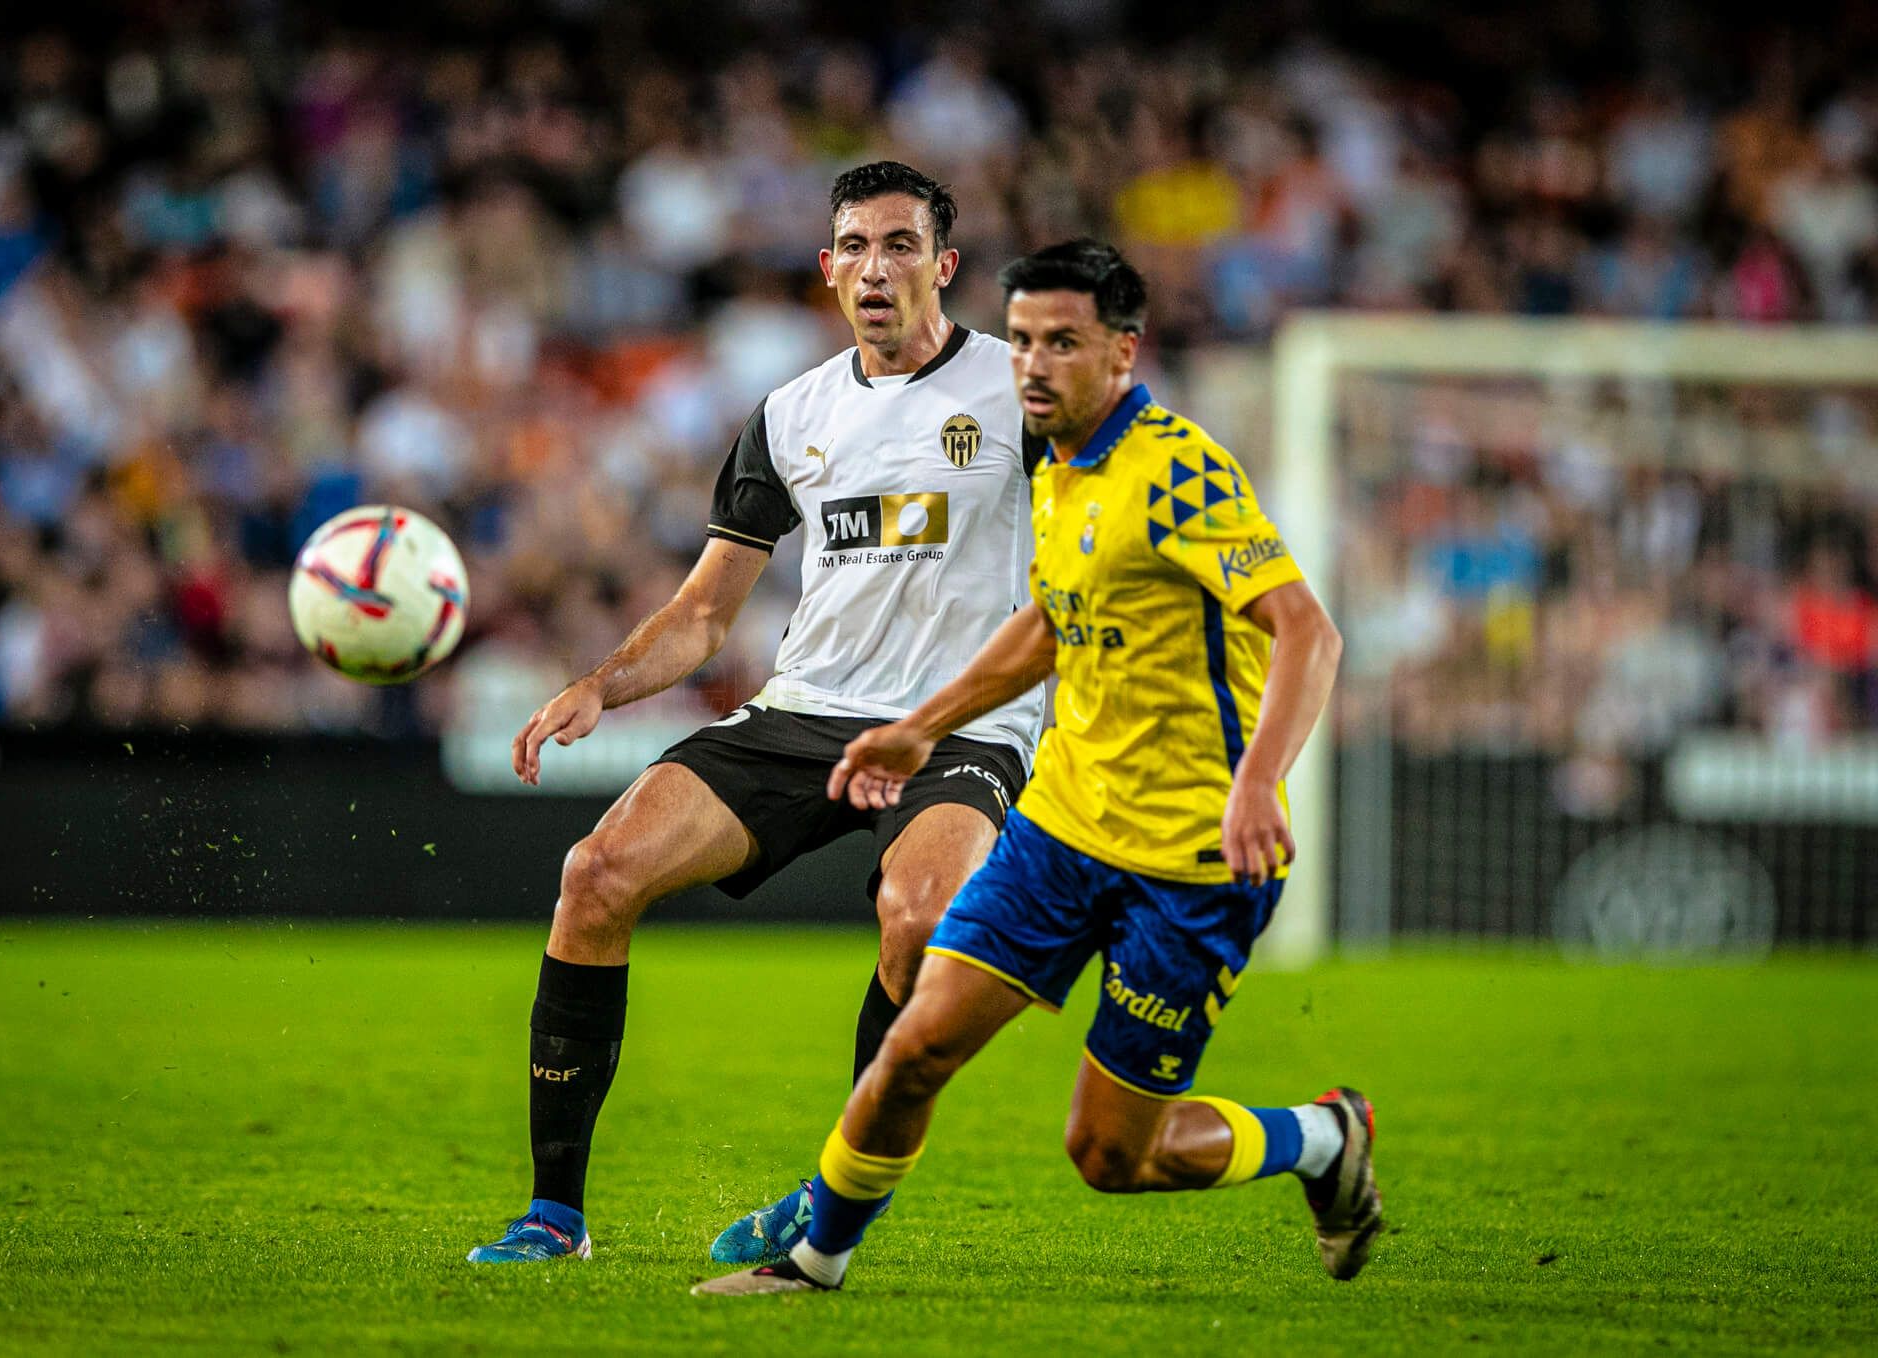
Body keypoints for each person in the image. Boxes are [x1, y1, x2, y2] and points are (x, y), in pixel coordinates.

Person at [694, 239, 1378, 1296]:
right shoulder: (1054, 462)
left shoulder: (1176, 472)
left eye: (1061, 342)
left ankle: (1321, 1139)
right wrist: (925, 724)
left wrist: (1255, 782)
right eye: (1018, 340)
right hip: (1059, 829)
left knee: (1112, 1156)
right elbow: (1048, 621)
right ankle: (812, 1260)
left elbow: (1307, 633)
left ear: (1120, 349)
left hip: (1189, 859)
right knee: (916, 1037)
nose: (1031, 364)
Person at [468, 162, 1048, 1264]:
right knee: (595, 873)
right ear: (827, 271)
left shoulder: (1020, 394)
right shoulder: (791, 415)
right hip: (803, 712)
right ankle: (554, 1212)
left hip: (957, 726)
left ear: (944, 264)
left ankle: (830, 1192)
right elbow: (702, 614)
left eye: (900, 244)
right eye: (855, 249)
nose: (876, 268)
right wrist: (598, 681)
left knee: (920, 921)